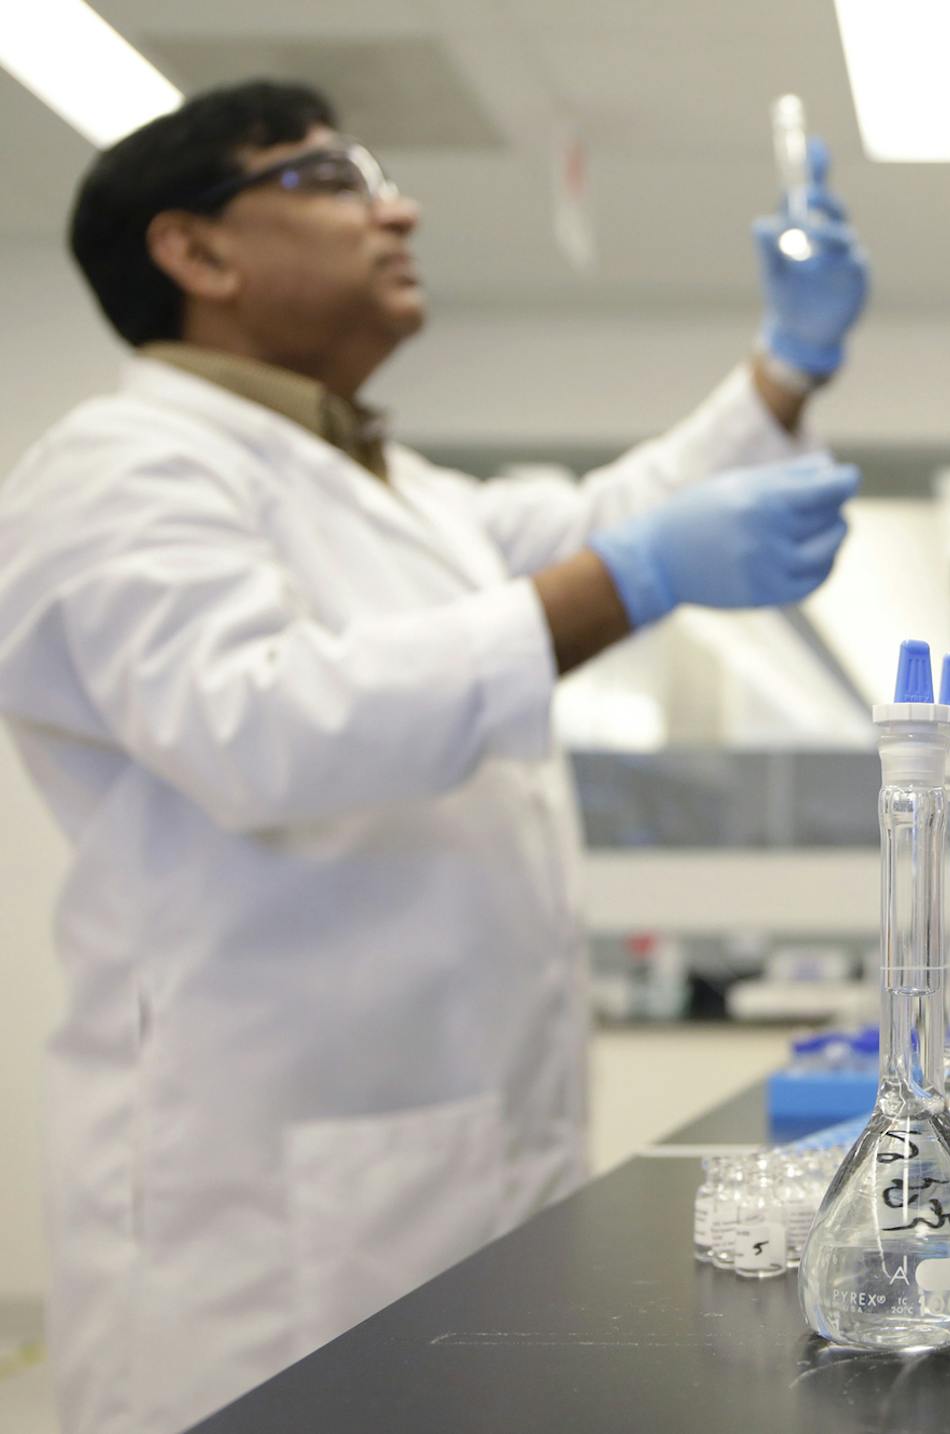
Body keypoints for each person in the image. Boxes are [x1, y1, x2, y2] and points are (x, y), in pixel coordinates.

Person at [0, 81, 870, 1434]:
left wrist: (785, 363)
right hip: (260, 1212)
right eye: (328, 179)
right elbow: (263, 724)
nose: (396, 209)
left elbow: (614, 516)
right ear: (196, 249)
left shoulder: (389, 489)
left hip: (441, 1162)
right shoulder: (120, 470)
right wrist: (630, 579)